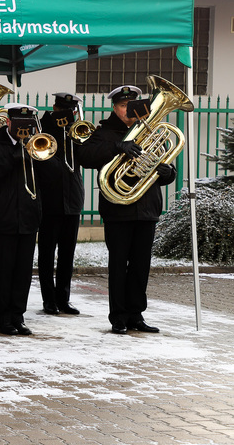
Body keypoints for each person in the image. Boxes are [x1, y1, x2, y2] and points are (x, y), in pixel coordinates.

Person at [77, 85, 176, 335]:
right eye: (123, 106)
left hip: (147, 208)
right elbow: (85, 156)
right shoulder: (105, 133)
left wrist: (168, 173)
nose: (127, 110)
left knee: (141, 266)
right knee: (119, 264)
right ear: (114, 108)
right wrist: (117, 147)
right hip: (118, 209)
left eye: (132, 106)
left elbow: (161, 165)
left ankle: (136, 315)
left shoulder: (150, 130)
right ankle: (118, 317)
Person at [0, 103, 42, 336]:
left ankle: (18, 316)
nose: (25, 129)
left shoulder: (35, 144)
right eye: (20, 124)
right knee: (4, 271)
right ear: (9, 122)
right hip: (2, 218)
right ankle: (3, 318)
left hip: (28, 218)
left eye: (29, 125)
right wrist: (15, 156)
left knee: (23, 272)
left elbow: (49, 175)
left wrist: (39, 154)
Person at [35, 93, 85, 315]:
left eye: (71, 111)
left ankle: (63, 298)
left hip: (72, 198)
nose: (68, 114)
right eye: (64, 109)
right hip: (50, 199)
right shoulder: (42, 126)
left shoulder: (77, 128)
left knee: (68, 253)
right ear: (55, 107)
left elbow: (86, 156)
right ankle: (48, 299)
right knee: (47, 252)